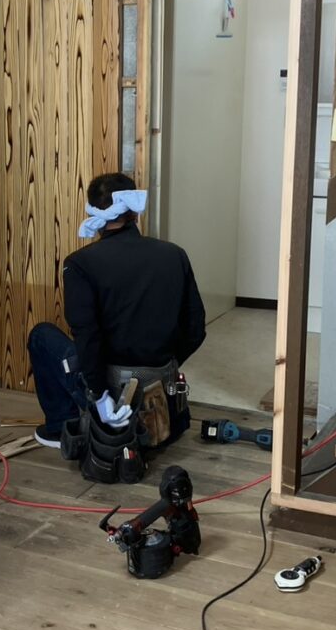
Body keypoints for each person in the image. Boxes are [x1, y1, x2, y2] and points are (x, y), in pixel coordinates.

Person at [28, 172, 206, 449]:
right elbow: (195, 329)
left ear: (92, 211)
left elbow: (87, 336)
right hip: (162, 388)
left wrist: (99, 395)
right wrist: (161, 369)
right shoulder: (174, 254)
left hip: (113, 393)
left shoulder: (80, 264)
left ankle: (60, 427)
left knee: (42, 336)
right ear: (135, 212)